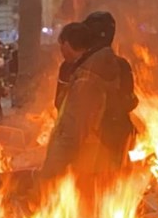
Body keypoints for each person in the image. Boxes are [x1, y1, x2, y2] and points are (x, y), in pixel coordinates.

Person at [43, 22, 120, 186]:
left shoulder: (85, 80)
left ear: (67, 44)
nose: (61, 52)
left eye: (61, 46)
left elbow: (73, 130)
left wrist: (51, 170)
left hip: (85, 164)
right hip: (98, 159)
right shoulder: (95, 69)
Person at [84, 11, 137, 169]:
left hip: (90, 136)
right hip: (117, 134)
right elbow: (129, 101)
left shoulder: (79, 64)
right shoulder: (121, 65)